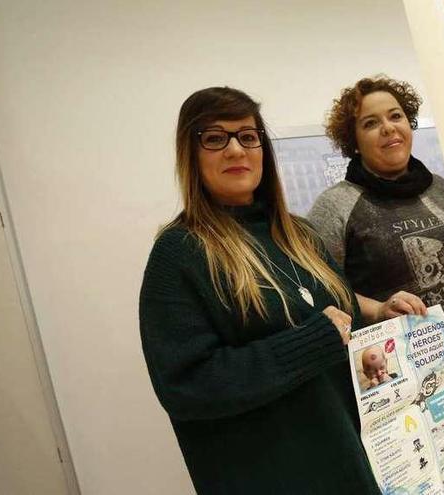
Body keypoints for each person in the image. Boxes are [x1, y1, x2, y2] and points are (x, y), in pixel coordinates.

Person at [139, 87, 380, 494]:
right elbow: (185, 386)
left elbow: (334, 314)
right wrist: (310, 343)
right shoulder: (179, 253)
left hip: (348, 461)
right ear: (190, 153)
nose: (236, 150)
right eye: (215, 138)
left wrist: (376, 317)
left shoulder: (300, 234)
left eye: (248, 136)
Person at [308, 76, 444, 495]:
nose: (389, 128)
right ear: (353, 140)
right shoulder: (337, 206)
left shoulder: (440, 189)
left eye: (396, 116)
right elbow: (321, 289)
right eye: (371, 123)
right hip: (403, 387)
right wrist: (377, 306)